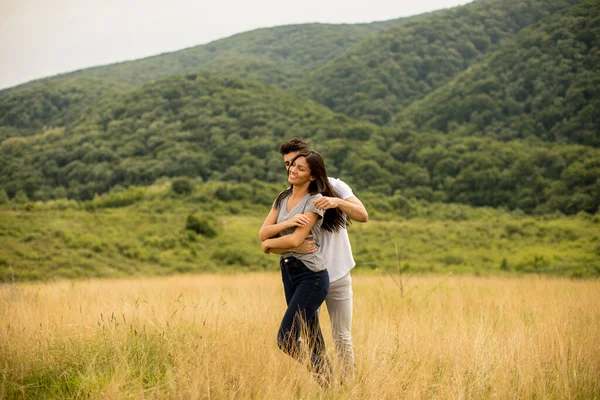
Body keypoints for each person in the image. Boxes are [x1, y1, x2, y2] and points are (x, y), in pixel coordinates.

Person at [277, 138, 368, 380]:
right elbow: (283, 238)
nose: (290, 169)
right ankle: (325, 382)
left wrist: (337, 201)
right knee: (311, 335)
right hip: (309, 275)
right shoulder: (290, 197)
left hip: (337, 273)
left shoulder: (336, 185)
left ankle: (347, 385)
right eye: (287, 164)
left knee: (342, 336)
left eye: (295, 163)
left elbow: (363, 215)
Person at [259, 150, 346, 386]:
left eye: (300, 168)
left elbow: (295, 241)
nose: (293, 170)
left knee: (285, 338)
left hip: (312, 276)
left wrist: (268, 245)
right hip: (289, 272)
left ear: (311, 176)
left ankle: (323, 376)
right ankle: (331, 389)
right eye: (292, 165)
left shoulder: (314, 201)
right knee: (312, 339)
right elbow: (262, 232)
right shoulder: (282, 197)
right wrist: (284, 225)